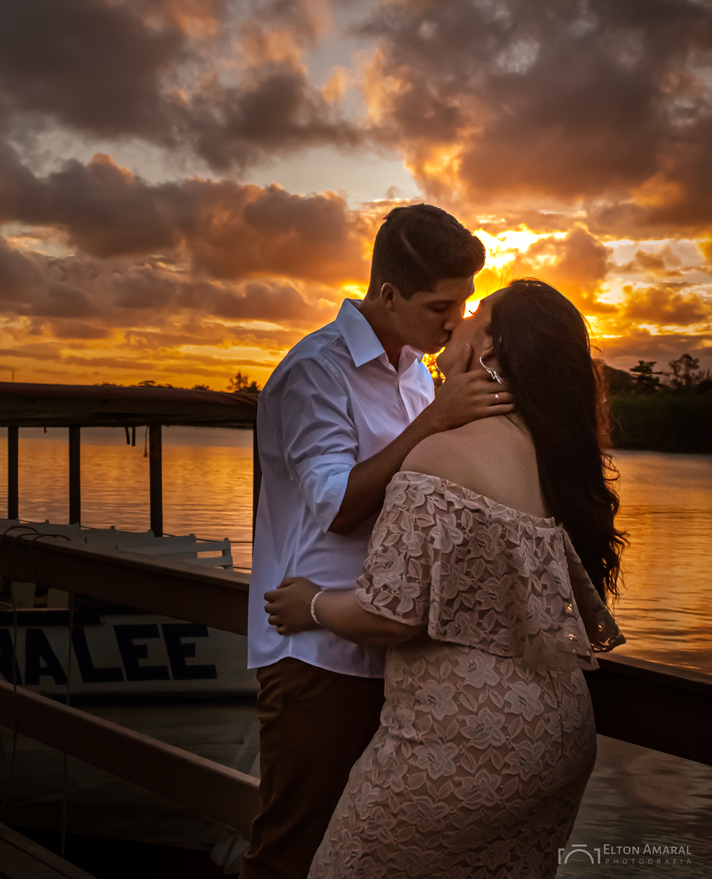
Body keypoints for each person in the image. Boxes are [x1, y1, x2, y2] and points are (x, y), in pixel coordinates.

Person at [265, 279, 626, 878]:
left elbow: (389, 614)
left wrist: (313, 605)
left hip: (463, 741)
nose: (455, 323)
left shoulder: (440, 457)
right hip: (560, 734)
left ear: (491, 349)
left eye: (475, 315)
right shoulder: (553, 454)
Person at [243, 204, 510, 879]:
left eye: (464, 303)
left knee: (363, 853)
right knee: (293, 847)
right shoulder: (315, 372)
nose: (453, 320)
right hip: (315, 650)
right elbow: (336, 508)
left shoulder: (415, 368)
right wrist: (436, 422)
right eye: (438, 305)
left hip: (390, 639)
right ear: (388, 293)